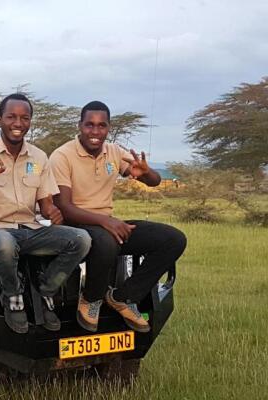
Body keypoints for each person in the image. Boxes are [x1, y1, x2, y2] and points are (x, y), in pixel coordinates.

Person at [0, 93, 91, 334]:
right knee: (4, 243)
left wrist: (53, 211)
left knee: (81, 239)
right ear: (0, 120)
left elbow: (45, 203)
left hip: (29, 230)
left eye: (25, 118)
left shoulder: (38, 157)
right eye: (11, 117)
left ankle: (45, 290)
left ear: (30, 121)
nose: (18, 123)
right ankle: (13, 297)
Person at [50, 100, 187, 333]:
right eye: (89, 125)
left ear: (109, 128)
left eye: (101, 126)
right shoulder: (62, 156)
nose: (95, 132)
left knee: (173, 239)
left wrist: (147, 173)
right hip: (75, 226)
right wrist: (106, 221)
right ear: (79, 126)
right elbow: (64, 207)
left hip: (107, 225)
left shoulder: (113, 152)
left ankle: (123, 296)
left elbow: (152, 181)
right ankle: (91, 298)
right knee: (105, 240)